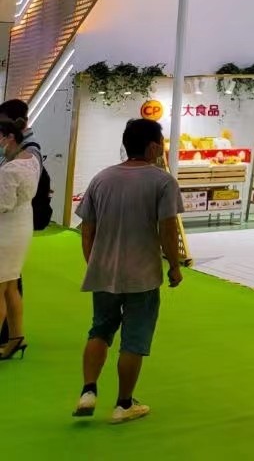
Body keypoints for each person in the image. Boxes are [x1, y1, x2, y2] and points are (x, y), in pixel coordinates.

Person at [73, 118, 184, 423]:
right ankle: (123, 404)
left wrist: (95, 263)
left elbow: (87, 229)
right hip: (142, 275)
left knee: (99, 330)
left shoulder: (101, 178)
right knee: (134, 339)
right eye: (161, 142)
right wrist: (175, 266)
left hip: (103, 272)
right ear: (152, 147)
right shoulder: (163, 182)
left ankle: (88, 391)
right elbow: (168, 229)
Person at [0, 117, 41, 360]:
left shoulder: (10, 169)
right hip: (21, 224)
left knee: (2, 287)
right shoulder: (31, 160)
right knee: (10, 286)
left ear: (9, 137)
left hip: (6, 230)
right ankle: (16, 337)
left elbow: (3, 204)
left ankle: (14, 338)